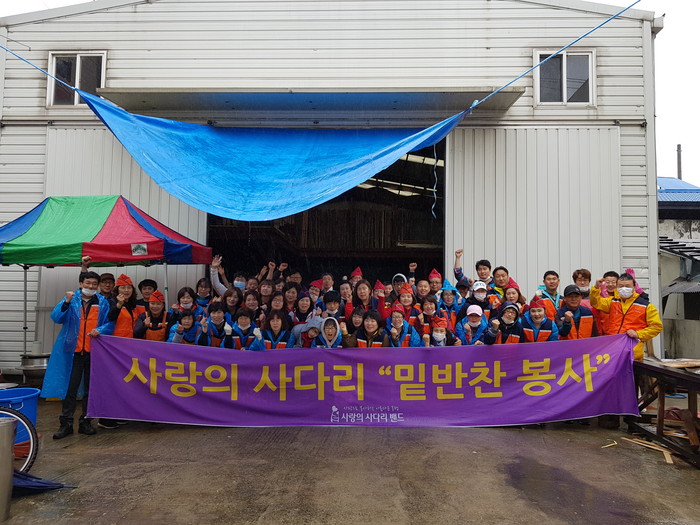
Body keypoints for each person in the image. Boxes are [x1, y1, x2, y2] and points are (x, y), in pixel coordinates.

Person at [47, 270, 114, 439]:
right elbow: (56, 317)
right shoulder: (72, 299)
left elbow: (109, 324)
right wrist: (66, 302)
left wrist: (100, 330)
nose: (90, 286)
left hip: (93, 352)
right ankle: (66, 424)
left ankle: (86, 422)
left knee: (90, 389)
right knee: (70, 389)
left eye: (94, 284)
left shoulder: (102, 302)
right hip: (73, 352)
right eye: (87, 283)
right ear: (81, 284)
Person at [590, 272, 663, 360]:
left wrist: (638, 334)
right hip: (612, 351)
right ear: (617, 287)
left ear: (634, 287)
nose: (624, 288)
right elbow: (595, 303)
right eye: (621, 286)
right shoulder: (612, 302)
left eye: (627, 286)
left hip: (633, 353)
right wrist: (596, 287)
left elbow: (656, 327)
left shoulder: (646, 306)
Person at [108, 274, 138, 338]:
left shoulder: (133, 304)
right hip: (116, 339)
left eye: (129, 287)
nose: (126, 290)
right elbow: (110, 318)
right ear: (117, 290)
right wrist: (119, 305)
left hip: (130, 339)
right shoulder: (111, 302)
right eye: (123, 287)